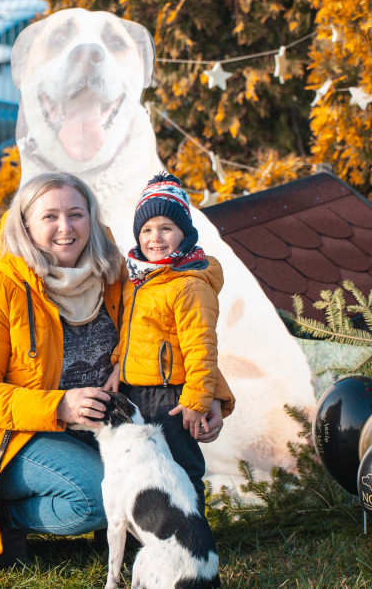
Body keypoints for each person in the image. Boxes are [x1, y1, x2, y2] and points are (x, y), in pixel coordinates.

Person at [0, 172, 233, 576]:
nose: (66, 227)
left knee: (132, 492)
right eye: (50, 217)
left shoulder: (115, 273)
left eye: (76, 214)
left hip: (97, 425)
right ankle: (5, 517)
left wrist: (213, 395)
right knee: (97, 501)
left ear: (91, 219)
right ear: (26, 225)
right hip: (9, 437)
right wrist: (59, 404)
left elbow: (175, 332)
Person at [108, 172, 222, 512]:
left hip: (171, 395)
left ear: (184, 233)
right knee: (142, 468)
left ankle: (193, 534)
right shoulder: (139, 279)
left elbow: (202, 348)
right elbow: (128, 330)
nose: (155, 238)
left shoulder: (189, 285)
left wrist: (197, 399)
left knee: (180, 467)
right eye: (146, 230)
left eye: (166, 228)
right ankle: (153, 532)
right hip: (135, 391)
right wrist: (117, 363)